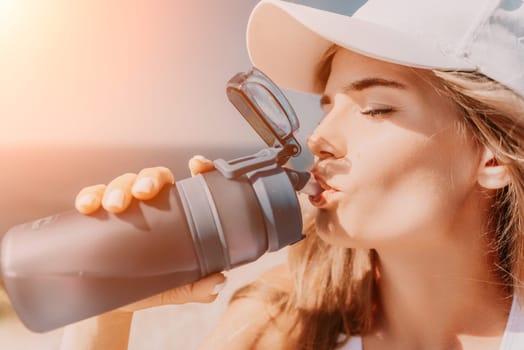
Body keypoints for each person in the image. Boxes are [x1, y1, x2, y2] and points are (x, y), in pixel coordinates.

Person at [61, 0, 524, 349]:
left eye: (375, 108)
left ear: (493, 158)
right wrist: (107, 312)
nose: (319, 138)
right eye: (327, 108)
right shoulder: (278, 324)